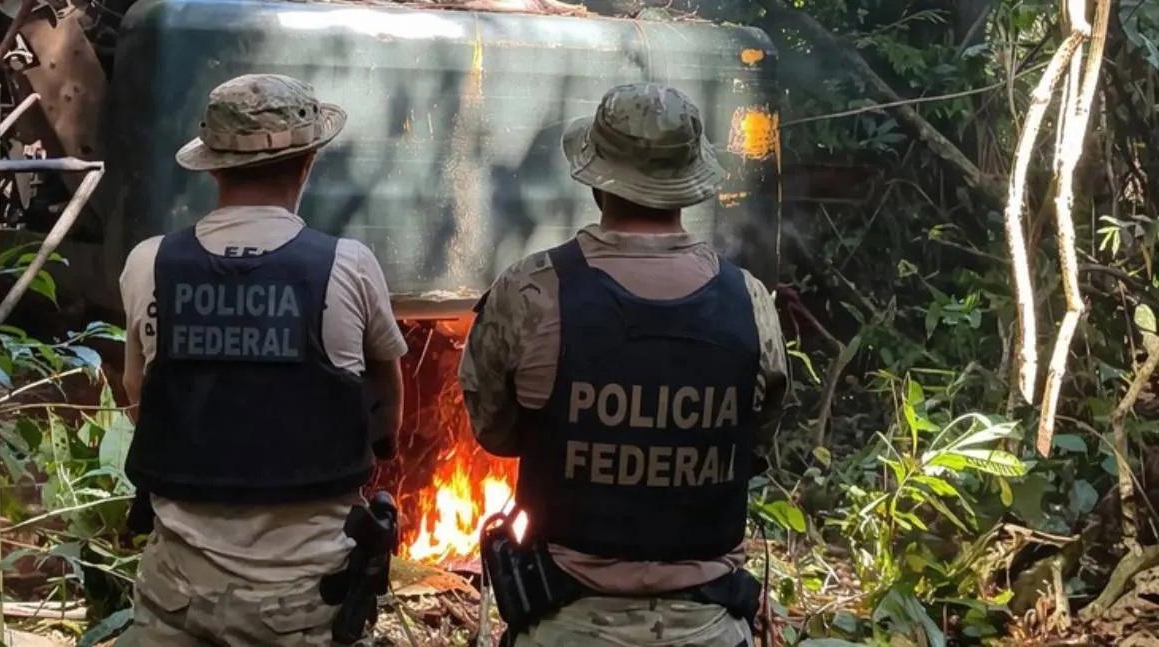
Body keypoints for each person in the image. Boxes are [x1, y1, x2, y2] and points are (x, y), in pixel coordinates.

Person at [460, 83, 788, 646]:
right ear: (688, 186)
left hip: (566, 625)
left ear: (595, 179)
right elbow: (753, 445)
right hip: (709, 628)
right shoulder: (750, 302)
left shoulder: (532, 292)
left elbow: (496, 433)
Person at [116, 74, 407, 646]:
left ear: (213, 167)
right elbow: (386, 415)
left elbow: (140, 401)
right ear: (308, 163)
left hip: (174, 599)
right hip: (303, 606)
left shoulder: (149, 263)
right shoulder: (348, 266)